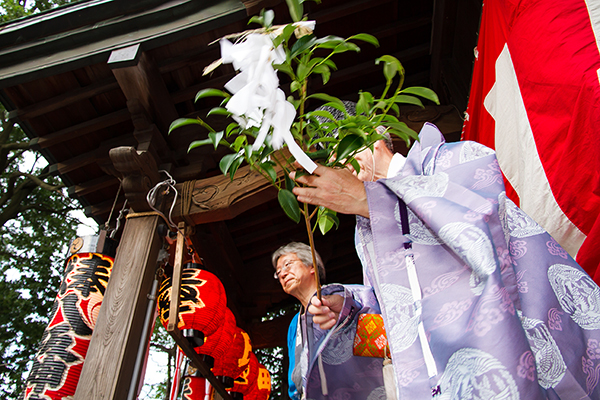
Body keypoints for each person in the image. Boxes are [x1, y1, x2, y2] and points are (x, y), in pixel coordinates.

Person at [292, 121, 600, 399]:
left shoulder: (451, 159)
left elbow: (482, 231)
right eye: (330, 160)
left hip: (513, 348)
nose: (339, 165)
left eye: (343, 148)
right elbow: (392, 311)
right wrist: (349, 311)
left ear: (373, 136)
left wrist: (369, 200)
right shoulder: (365, 231)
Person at [272, 242, 386, 400]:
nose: (283, 274)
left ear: (312, 266)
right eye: (278, 273)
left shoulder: (345, 295)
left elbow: (374, 323)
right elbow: (295, 375)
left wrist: (346, 309)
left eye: (288, 265)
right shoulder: (294, 325)